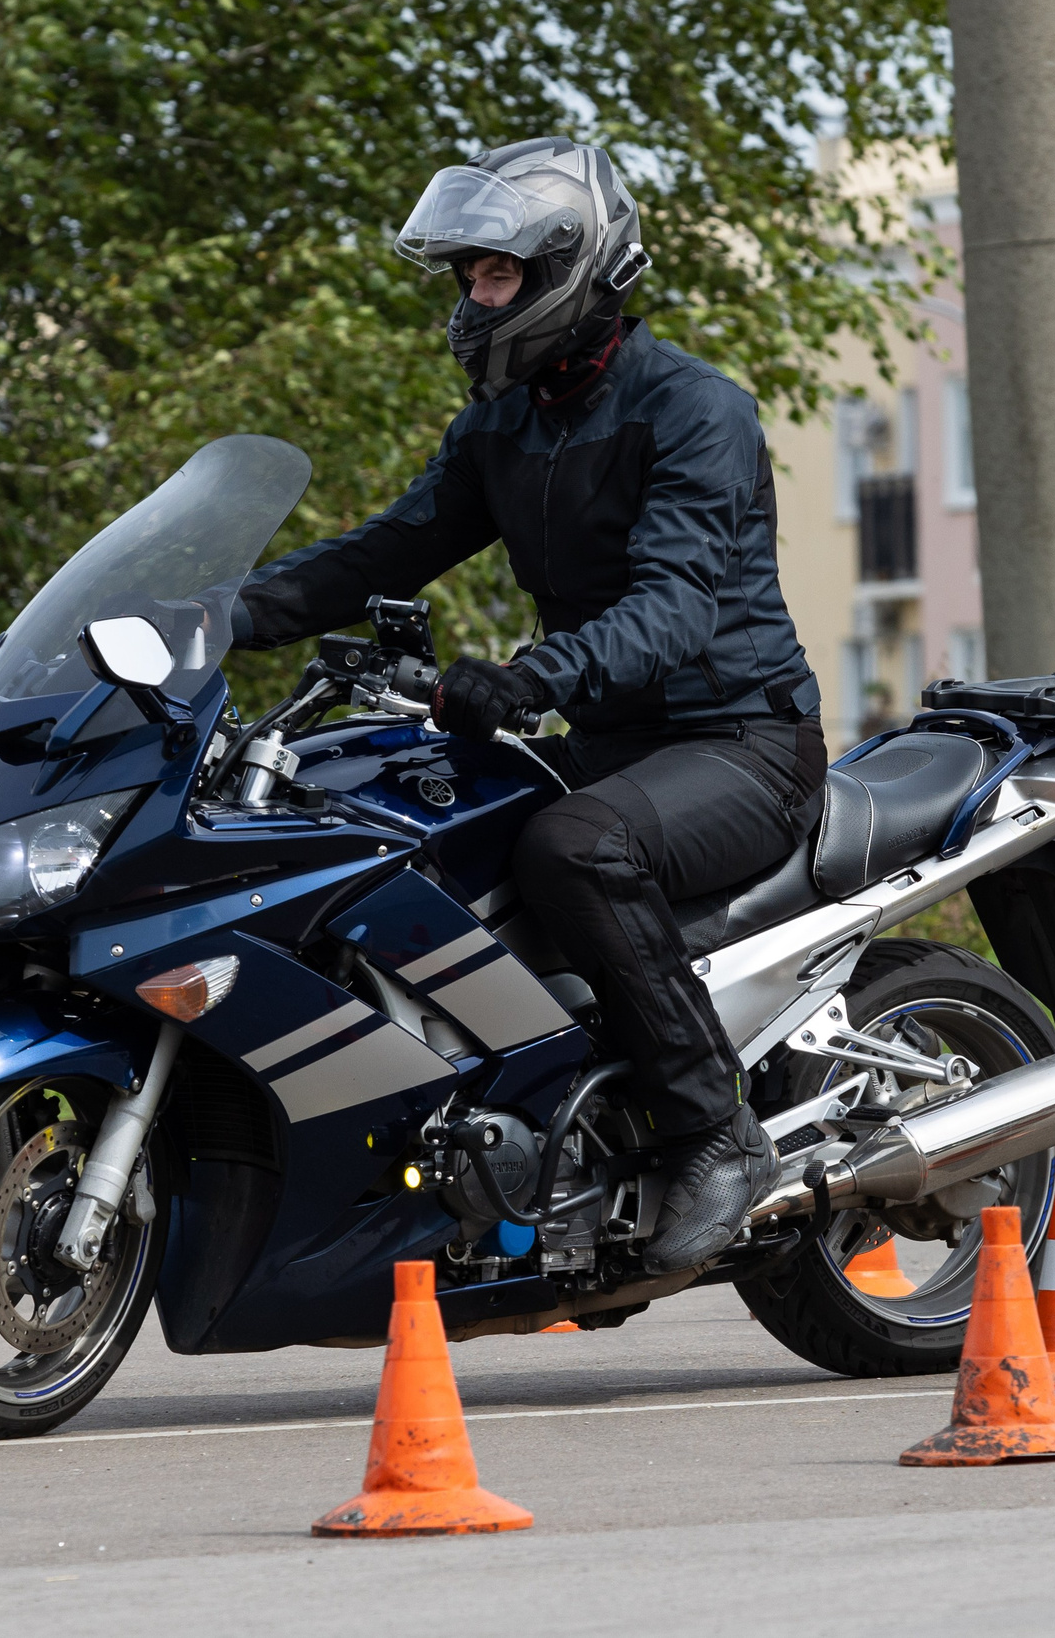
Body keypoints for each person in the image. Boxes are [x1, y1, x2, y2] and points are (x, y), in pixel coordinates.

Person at [229, 138, 823, 1271]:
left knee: (570, 848)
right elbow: (386, 549)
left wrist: (532, 677)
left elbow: (677, 608)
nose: (473, 298)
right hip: (608, 739)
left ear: (570, 270)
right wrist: (214, 614)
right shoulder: (502, 426)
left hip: (740, 740)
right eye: (467, 277)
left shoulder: (694, 409)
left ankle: (715, 1130)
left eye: (494, 276)